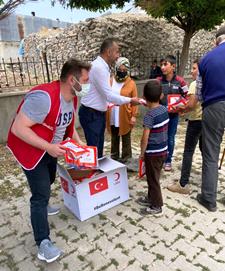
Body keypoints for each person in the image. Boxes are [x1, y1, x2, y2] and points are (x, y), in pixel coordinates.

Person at [7, 58, 91, 263]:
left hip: (50, 148)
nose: (89, 85)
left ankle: (43, 202)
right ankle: (43, 243)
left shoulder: (72, 97)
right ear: (72, 80)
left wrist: (80, 144)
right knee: (40, 195)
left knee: (50, 178)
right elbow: (18, 129)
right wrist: (49, 148)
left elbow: (67, 127)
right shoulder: (43, 97)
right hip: (31, 150)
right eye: (86, 80)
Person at [79, 38, 140, 158]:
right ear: (108, 52)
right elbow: (109, 95)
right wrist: (130, 100)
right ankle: (94, 174)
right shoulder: (99, 68)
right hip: (92, 114)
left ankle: (97, 172)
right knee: (95, 151)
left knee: (98, 150)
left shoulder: (102, 67)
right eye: (117, 52)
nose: (118, 55)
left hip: (96, 113)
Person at [195, 25, 225, 212]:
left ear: (216, 40)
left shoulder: (206, 59)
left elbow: (198, 94)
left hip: (214, 107)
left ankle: (209, 198)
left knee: (211, 153)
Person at [167, 59, 202, 194]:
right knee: (206, 151)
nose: (191, 71)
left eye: (194, 68)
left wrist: (181, 109)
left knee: (188, 151)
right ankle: (208, 179)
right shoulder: (210, 82)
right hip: (208, 120)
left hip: (195, 121)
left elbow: (191, 104)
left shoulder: (195, 84)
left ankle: (183, 184)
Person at [137, 80, 169, 215]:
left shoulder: (149, 116)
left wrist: (142, 152)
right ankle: (151, 198)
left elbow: (145, 137)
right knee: (152, 176)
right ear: (161, 95)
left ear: (144, 96)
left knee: (153, 179)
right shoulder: (164, 109)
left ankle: (157, 206)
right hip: (163, 151)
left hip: (152, 153)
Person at [157, 55, 188, 171]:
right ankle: (160, 159)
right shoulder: (158, 81)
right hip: (160, 116)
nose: (162, 67)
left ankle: (168, 160)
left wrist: (182, 106)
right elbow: (153, 97)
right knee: (160, 138)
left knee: (170, 138)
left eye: (165, 64)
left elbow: (187, 96)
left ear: (173, 66)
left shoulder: (181, 81)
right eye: (162, 65)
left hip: (174, 116)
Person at [106, 57, 138, 162]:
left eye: (125, 70)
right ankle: (114, 158)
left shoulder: (131, 83)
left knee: (126, 138)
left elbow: (134, 101)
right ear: (116, 68)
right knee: (114, 137)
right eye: (120, 69)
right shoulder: (110, 81)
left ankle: (126, 159)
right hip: (112, 114)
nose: (122, 72)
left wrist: (133, 116)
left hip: (125, 114)